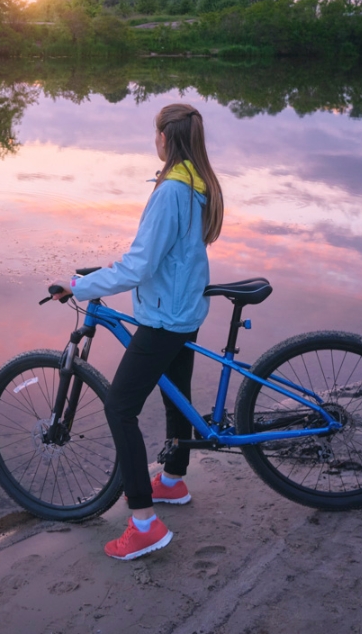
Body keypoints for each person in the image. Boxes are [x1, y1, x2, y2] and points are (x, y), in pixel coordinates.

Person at [52, 103, 223, 560]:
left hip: (165, 317)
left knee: (120, 406)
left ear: (166, 138)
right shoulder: (196, 181)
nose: (154, 140)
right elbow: (164, 256)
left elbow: (139, 265)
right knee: (176, 394)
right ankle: (171, 480)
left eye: (155, 133)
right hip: (186, 309)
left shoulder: (171, 191)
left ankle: (144, 523)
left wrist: (80, 286)